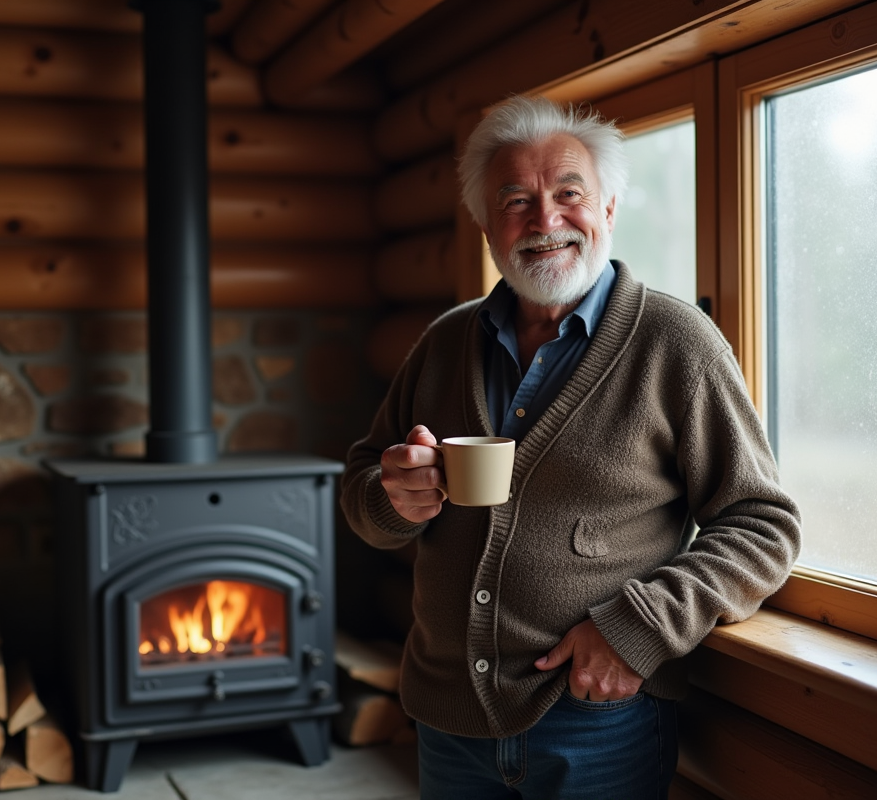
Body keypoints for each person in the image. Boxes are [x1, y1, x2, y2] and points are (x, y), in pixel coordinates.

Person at [339, 96, 801, 800]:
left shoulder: (676, 343)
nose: (545, 221)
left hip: (598, 720)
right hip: (447, 718)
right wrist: (389, 497)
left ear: (608, 208)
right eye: (516, 201)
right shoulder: (443, 342)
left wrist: (639, 628)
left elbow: (763, 525)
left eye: (568, 194)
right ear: (486, 224)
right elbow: (364, 487)